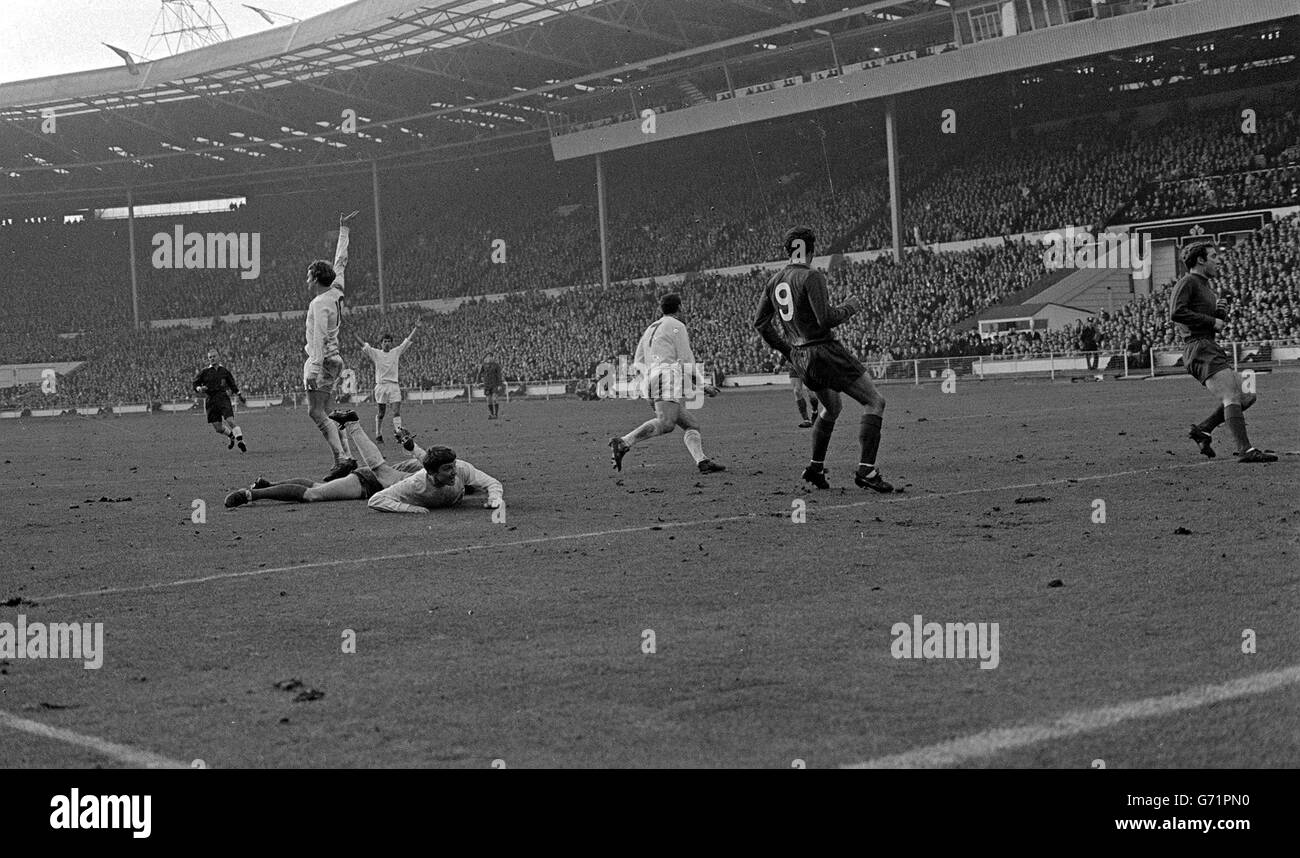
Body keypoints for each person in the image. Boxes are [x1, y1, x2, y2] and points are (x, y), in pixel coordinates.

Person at [754, 225, 894, 492]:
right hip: (823, 350)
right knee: (875, 401)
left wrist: (787, 350)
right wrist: (850, 306)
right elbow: (826, 319)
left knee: (831, 408)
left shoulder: (773, 281)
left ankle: (816, 467)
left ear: (789, 250)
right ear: (812, 250)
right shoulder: (812, 277)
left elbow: (760, 324)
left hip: (801, 357)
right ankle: (867, 471)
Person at [1172, 242, 1274, 462]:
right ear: (1200, 260)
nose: (1217, 260)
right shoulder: (1188, 281)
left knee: (1247, 394)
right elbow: (1177, 312)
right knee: (1231, 395)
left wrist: (1220, 314)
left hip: (1208, 345)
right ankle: (1245, 450)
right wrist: (1212, 320)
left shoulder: (1206, 287)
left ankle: (1204, 429)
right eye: (1214, 256)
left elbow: (1212, 323)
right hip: (1199, 347)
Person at [608, 293, 725, 475]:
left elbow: (638, 358)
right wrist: (703, 386)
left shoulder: (650, 328)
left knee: (691, 424)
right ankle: (623, 442)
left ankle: (702, 461)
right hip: (665, 378)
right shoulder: (677, 326)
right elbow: (686, 359)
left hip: (649, 380)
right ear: (680, 307)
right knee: (667, 423)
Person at [224, 411, 427, 507]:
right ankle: (250, 495)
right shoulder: (428, 472)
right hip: (369, 482)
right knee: (313, 494)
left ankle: (267, 485)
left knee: (315, 485)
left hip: (372, 478)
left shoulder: (425, 467)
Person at [304, 211, 359, 482]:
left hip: (324, 361)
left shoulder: (319, 303)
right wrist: (343, 230)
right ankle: (347, 457)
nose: (306, 279)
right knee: (328, 413)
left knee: (316, 411)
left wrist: (313, 368)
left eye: (308, 275)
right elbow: (342, 261)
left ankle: (342, 458)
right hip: (336, 360)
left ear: (315, 278)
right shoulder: (336, 290)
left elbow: (320, 338)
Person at [367, 444, 504, 514]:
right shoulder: (415, 484)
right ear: (432, 472)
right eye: (447, 469)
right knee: (381, 471)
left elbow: (492, 483)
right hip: (390, 477)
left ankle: (412, 447)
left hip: (439, 483)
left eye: (453, 466)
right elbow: (375, 500)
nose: (453, 472)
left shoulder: (462, 469)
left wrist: (495, 498)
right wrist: (409, 508)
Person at [356, 322, 419, 443]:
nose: (387, 343)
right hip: (381, 387)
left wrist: (416, 328)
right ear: (381, 343)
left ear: (391, 343)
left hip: (394, 386)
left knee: (396, 411)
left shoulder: (396, 352)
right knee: (381, 413)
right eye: (385, 341)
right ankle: (378, 434)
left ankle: (399, 434)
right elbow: (363, 344)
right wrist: (354, 333)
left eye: (389, 341)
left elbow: (407, 341)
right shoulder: (376, 353)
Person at [194, 348, 247, 451]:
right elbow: (195, 383)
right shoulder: (204, 372)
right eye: (210, 357)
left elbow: (232, 384)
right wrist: (199, 388)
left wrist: (239, 394)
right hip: (211, 401)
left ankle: (240, 441)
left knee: (230, 421)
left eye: (214, 357)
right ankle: (231, 436)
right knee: (218, 428)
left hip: (223, 398)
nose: (212, 359)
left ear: (218, 357)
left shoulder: (224, 371)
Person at [780, 355, 819, 428]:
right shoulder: (789, 343)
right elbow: (785, 348)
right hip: (794, 366)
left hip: (807, 366)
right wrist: (780, 364)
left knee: (812, 395)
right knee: (797, 391)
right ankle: (806, 420)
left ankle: (815, 410)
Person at [477, 354, 504, 419]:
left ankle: (496, 414)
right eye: (487, 357)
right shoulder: (483, 365)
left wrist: (500, 384)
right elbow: (479, 374)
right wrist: (478, 382)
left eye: (490, 357)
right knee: (488, 400)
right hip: (487, 385)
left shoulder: (496, 365)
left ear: (492, 358)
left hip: (494, 384)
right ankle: (492, 414)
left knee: (495, 399)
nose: (489, 358)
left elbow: (499, 375)